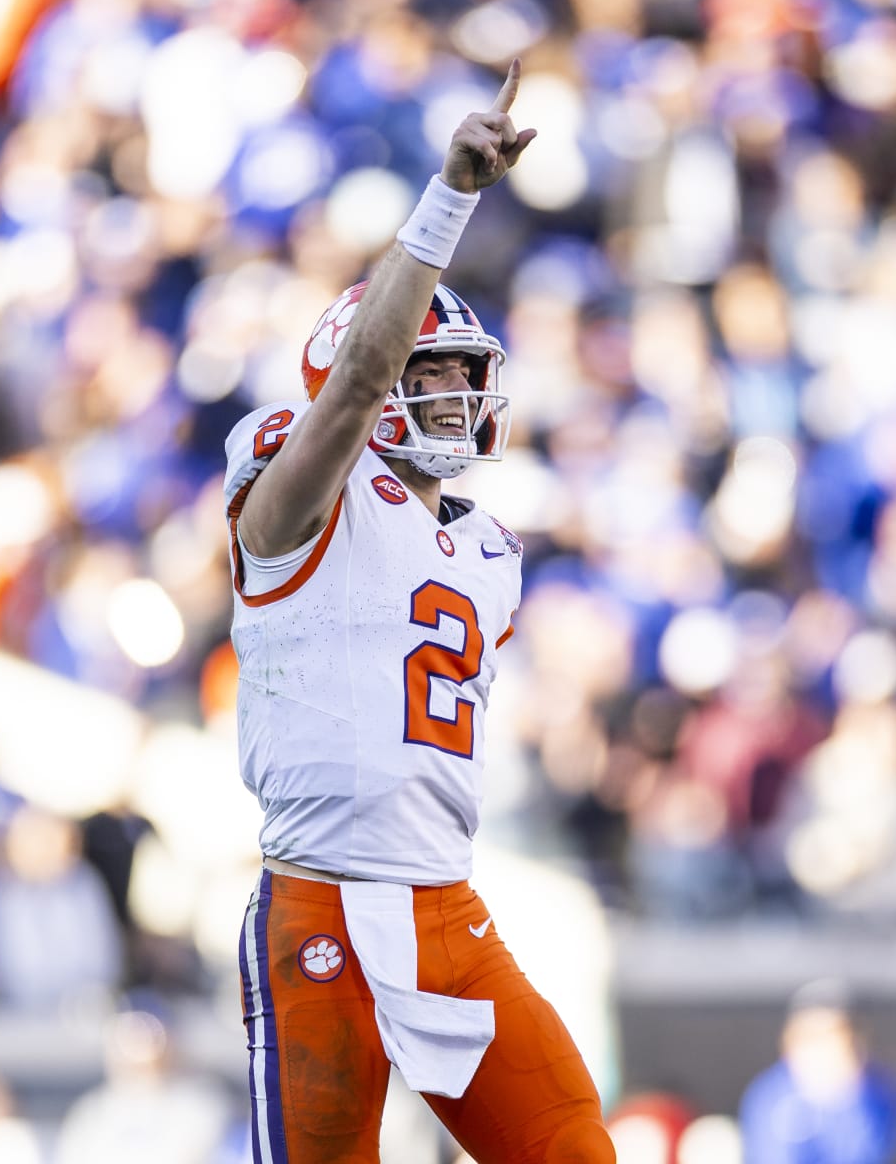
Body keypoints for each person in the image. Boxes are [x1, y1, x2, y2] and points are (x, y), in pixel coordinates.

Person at [221, 61, 614, 1163]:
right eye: (425, 371)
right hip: (321, 908)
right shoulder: (299, 488)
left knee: (575, 1147)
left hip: (443, 903)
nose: (452, 394)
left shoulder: (489, 546)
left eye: (458, 374)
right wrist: (452, 194)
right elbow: (353, 385)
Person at [737, 978, 896, 1164]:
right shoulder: (769, 1097)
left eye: (839, 1036)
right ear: (790, 1041)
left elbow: (877, 1152)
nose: (826, 1050)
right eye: (813, 1038)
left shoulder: (883, 1091)